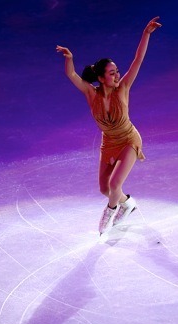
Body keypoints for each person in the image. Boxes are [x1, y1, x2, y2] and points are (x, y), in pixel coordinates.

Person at [56, 16, 162, 234]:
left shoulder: (122, 89)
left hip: (128, 139)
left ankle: (111, 211)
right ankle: (127, 203)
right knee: (105, 188)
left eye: (117, 72)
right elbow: (71, 74)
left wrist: (146, 34)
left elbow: (137, 61)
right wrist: (69, 57)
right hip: (109, 142)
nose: (117, 75)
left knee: (114, 186)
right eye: (112, 73)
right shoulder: (90, 94)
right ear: (101, 78)